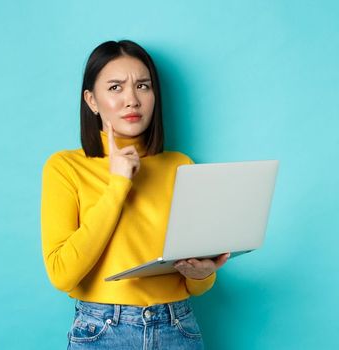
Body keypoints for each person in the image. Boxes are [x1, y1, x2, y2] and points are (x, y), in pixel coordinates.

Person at [40, 40, 231, 349]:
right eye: (115, 88)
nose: (132, 99)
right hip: (102, 330)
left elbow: (197, 286)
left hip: (177, 327)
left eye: (143, 86)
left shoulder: (180, 165)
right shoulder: (65, 167)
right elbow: (62, 275)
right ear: (92, 100)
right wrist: (118, 185)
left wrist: (203, 273)